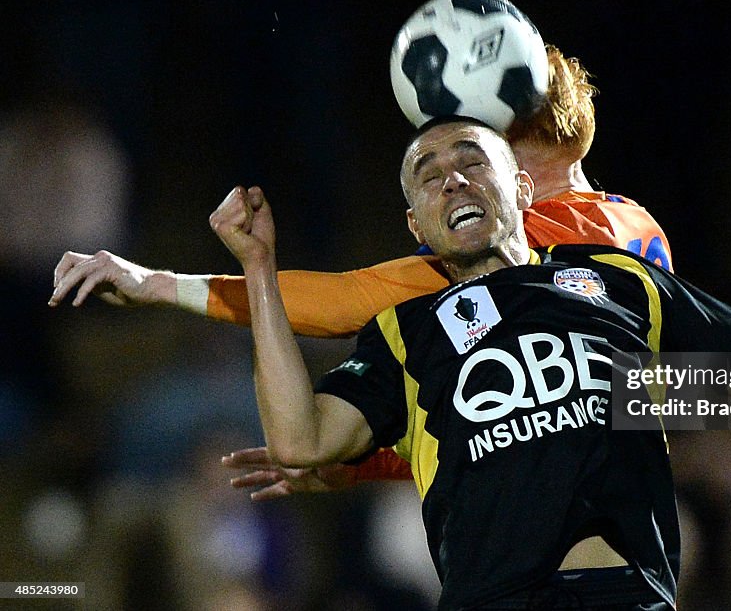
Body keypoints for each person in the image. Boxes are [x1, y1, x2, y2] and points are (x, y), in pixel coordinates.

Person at [207, 117, 731, 609]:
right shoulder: (404, 334)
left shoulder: (623, 282)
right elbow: (301, 442)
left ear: (518, 185)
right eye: (428, 175)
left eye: (470, 158)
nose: (452, 178)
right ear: (417, 224)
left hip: (622, 595)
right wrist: (261, 271)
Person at [49, 44, 674, 489]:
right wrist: (353, 462)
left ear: (514, 165)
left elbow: (350, 299)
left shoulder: (552, 238)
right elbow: (566, 410)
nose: (456, 177)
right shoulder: (640, 234)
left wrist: (158, 284)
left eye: (473, 148)